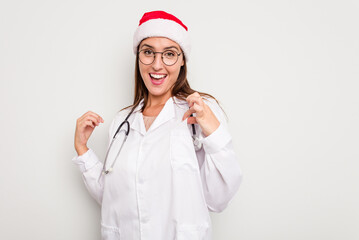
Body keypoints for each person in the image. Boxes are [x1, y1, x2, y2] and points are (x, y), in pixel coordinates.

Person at [72, 10, 242, 240]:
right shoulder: (122, 122)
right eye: (148, 52)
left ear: (182, 60)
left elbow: (218, 199)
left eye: (169, 54)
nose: (157, 64)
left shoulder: (200, 111)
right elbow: (113, 197)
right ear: (138, 57)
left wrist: (214, 134)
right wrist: (83, 150)